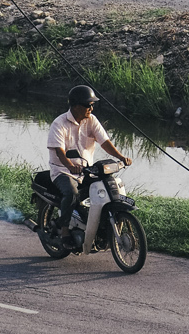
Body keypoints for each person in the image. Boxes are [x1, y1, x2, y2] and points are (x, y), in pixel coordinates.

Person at [46, 85, 129, 244]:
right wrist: (70, 165)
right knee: (71, 193)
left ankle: (99, 225)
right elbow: (59, 152)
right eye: (88, 105)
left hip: (86, 171)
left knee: (106, 188)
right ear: (76, 106)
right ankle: (64, 232)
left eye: (92, 104)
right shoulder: (59, 123)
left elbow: (105, 142)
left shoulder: (92, 120)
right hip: (63, 171)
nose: (91, 108)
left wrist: (121, 157)